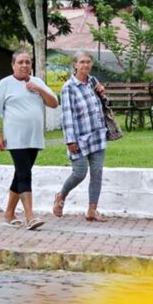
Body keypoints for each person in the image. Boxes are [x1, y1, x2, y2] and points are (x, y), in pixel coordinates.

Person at [0, 49, 58, 230]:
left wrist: (39, 89)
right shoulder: (5, 84)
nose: (24, 65)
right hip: (15, 138)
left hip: (34, 138)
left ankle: (9, 213)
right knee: (25, 174)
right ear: (13, 65)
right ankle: (30, 217)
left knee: (20, 175)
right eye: (20, 62)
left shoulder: (38, 82)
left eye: (27, 62)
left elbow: (54, 103)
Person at [52, 52, 108, 222]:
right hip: (79, 137)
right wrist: (70, 140)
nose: (86, 65)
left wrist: (103, 94)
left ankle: (92, 210)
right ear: (75, 65)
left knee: (97, 172)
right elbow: (67, 115)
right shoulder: (69, 87)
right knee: (80, 173)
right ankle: (61, 195)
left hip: (97, 134)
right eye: (82, 62)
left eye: (88, 62)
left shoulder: (93, 82)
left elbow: (103, 107)